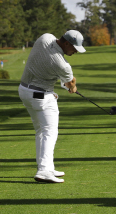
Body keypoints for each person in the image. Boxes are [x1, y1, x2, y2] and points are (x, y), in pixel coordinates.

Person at [18, 30, 86, 183]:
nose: (75, 52)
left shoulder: (45, 37)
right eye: (74, 48)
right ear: (66, 43)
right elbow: (70, 84)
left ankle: (47, 166)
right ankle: (43, 170)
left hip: (24, 91)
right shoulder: (62, 65)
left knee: (41, 131)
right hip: (40, 96)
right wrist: (73, 86)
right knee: (50, 131)